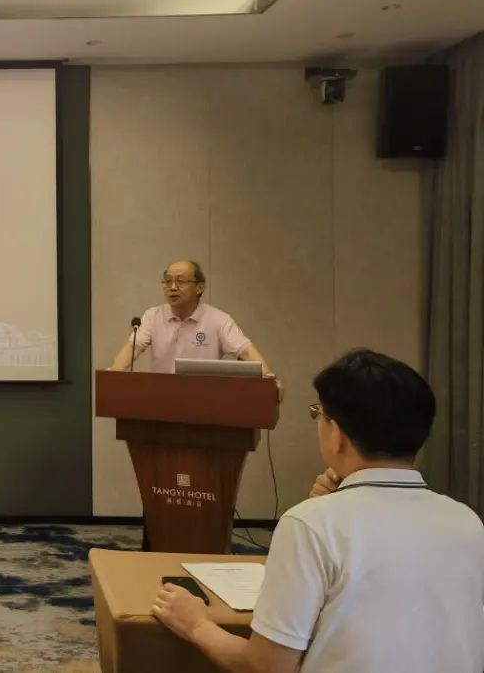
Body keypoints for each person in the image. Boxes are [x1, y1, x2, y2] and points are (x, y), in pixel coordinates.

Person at [151, 349, 484, 673]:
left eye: (319, 414)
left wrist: (196, 624)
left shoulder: (309, 524)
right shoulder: (467, 521)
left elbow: (266, 666)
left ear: (336, 434)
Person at [110, 260, 276, 381]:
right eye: (168, 281)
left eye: (180, 281)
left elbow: (246, 351)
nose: (172, 287)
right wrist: (114, 375)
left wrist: (269, 377)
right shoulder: (152, 316)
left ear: (199, 288)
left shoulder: (218, 319)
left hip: (204, 402)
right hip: (161, 399)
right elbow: (133, 347)